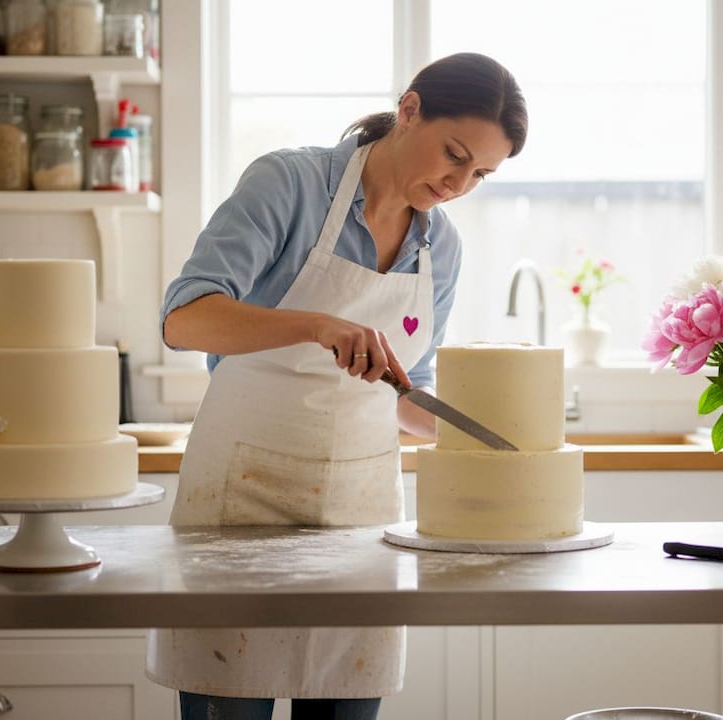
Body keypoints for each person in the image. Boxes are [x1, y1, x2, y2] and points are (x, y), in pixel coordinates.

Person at [147, 52, 528, 720]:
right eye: (453, 154)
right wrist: (316, 325)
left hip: (360, 523)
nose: (458, 183)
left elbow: (410, 392)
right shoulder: (290, 185)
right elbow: (184, 320)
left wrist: (501, 437)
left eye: (481, 174)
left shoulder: (440, 250)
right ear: (408, 111)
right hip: (240, 507)